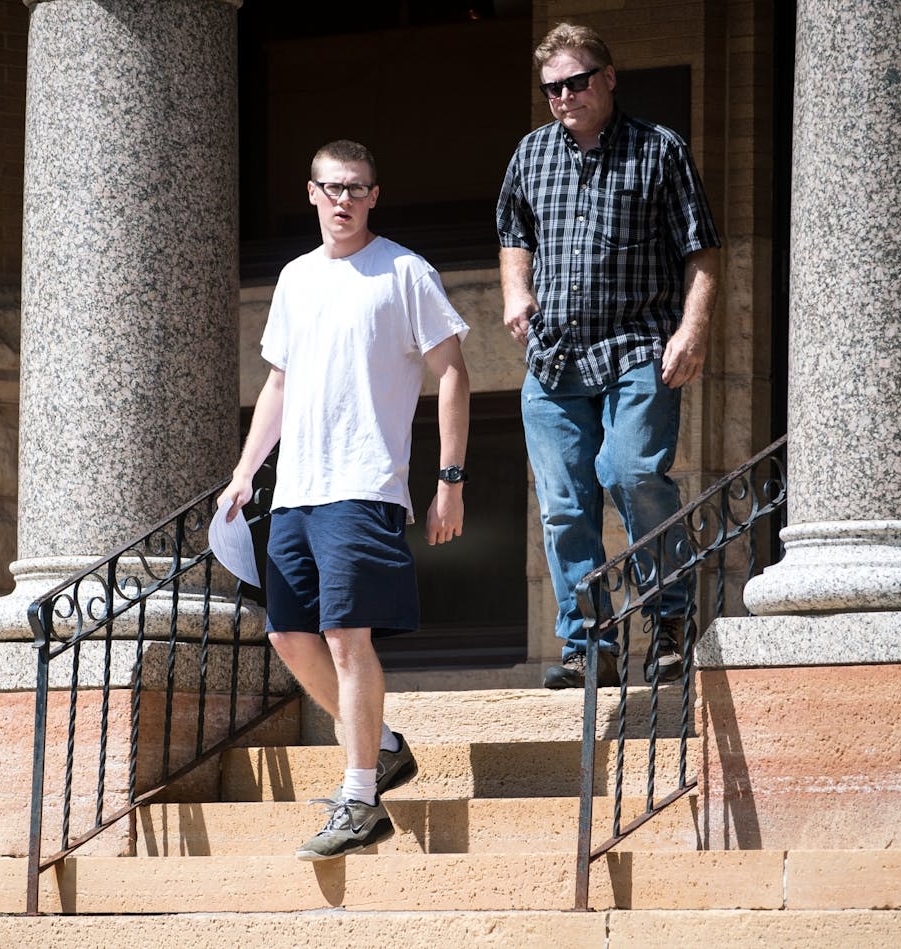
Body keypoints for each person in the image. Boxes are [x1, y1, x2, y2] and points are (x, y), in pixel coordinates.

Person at [220, 140, 470, 860]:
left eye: (355, 189)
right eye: (331, 188)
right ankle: (384, 746)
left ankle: (360, 798)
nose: (343, 200)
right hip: (296, 490)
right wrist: (245, 472)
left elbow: (451, 371)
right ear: (311, 193)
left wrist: (449, 480)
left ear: (373, 195)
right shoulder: (295, 278)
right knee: (287, 636)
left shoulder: (403, 271)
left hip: (364, 487)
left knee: (344, 637)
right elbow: (278, 383)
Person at [495, 22, 720, 690]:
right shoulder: (531, 154)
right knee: (565, 505)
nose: (563, 97)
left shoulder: (660, 149)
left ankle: (671, 621)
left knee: (630, 473)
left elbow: (701, 247)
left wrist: (694, 329)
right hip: (554, 359)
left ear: (609, 78)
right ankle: (590, 643)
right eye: (551, 89)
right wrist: (515, 292)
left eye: (575, 82)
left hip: (639, 346)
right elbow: (512, 231)